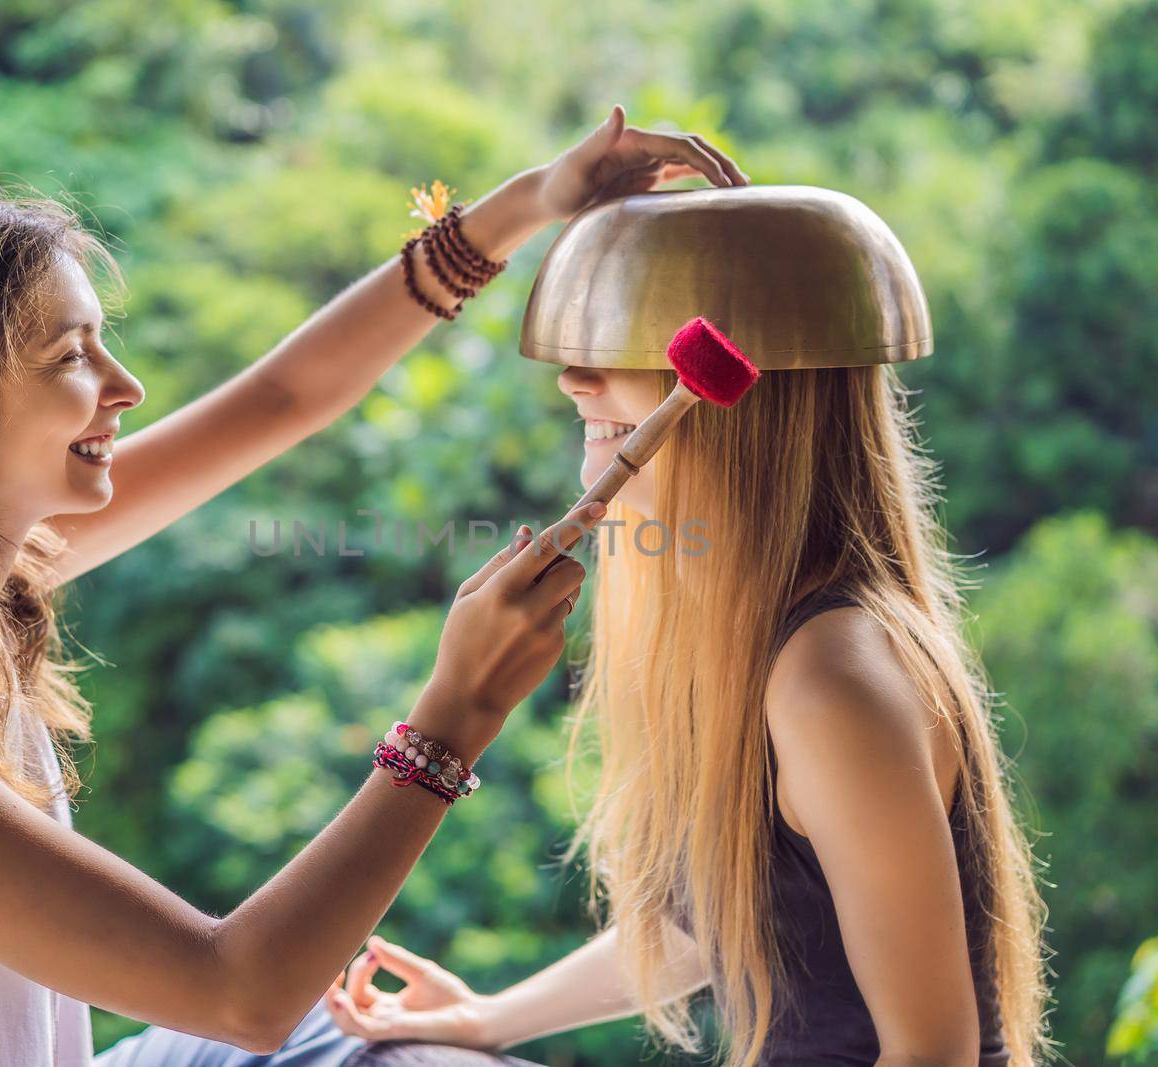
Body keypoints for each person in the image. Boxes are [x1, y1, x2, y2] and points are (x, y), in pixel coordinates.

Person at [0, 107, 747, 1066]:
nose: (127, 386)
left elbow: (285, 395)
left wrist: (534, 199)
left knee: (396, 1050)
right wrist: (453, 715)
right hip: (227, 984)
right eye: (74, 354)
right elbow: (235, 989)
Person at [326, 360, 1054, 1066]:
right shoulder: (752, 634)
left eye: (629, 347)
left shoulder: (831, 678)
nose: (574, 380)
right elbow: (720, 922)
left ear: (754, 385)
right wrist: (489, 1017)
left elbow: (933, 1053)